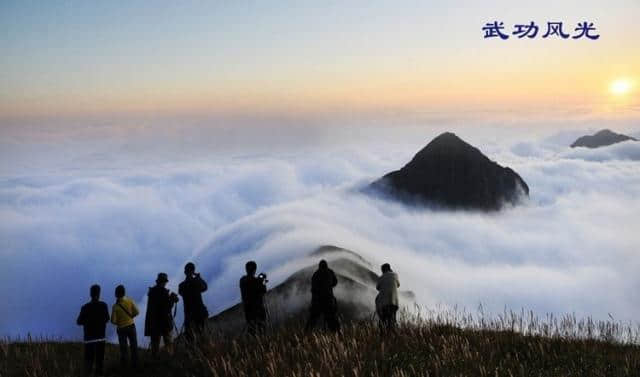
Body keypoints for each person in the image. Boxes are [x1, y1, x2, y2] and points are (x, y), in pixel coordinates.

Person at [77, 284, 110, 376]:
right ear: (99, 294)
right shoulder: (104, 305)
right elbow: (107, 319)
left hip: (89, 339)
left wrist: (87, 321)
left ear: (90, 294)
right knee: (100, 362)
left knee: (88, 362)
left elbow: (79, 322)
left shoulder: (85, 307)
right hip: (100, 338)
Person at [145, 273, 179, 356]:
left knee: (155, 344)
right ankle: (169, 359)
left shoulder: (152, 292)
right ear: (164, 282)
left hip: (154, 322)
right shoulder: (164, 292)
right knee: (168, 343)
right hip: (164, 322)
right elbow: (167, 308)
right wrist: (172, 299)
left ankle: (154, 361)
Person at [305, 260, 340, 332]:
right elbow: (335, 282)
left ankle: (306, 334)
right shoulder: (330, 272)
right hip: (328, 301)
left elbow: (313, 290)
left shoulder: (316, 274)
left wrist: (313, 302)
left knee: (313, 320)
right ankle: (337, 335)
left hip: (318, 302)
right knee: (332, 320)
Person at [111, 284, 139, 368]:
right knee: (134, 346)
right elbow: (137, 312)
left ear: (116, 294)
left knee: (124, 348)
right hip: (131, 326)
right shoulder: (130, 301)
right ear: (124, 293)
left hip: (121, 328)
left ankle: (124, 366)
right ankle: (135, 365)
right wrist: (130, 318)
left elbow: (113, 321)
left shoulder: (115, 306)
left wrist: (120, 322)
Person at [178, 262, 208, 340]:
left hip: (188, 314)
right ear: (193, 271)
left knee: (190, 338)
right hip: (199, 313)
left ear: (185, 272)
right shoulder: (196, 281)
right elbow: (205, 287)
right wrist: (198, 278)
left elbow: (180, 293)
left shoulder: (181, 286)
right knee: (201, 335)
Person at [239, 261, 267, 336]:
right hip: (258, 309)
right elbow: (264, 290)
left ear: (246, 269)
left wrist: (258, 279)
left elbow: (250, 282)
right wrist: (263, 281)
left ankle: (252, 344)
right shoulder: (256, 282)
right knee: (261, 330)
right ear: (255, 269)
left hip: (247, 310)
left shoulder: (242, 280)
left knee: (251, 330)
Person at [375, 263, 400, 332]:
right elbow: (398, 285)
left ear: (383, 270)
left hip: (384, 303)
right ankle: (393, 335)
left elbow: (377, 287)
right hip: (394, 303)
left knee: (383, 320)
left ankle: (383, 335)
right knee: (392, 320)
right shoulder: (395, 275)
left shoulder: (381, 277)